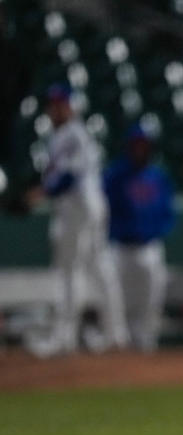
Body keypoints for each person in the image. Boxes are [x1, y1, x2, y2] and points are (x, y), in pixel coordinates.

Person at [25, 84, 127, 356]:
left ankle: (66, 337)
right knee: (96, 265)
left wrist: (39, 192)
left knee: (70, 270)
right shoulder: (65, 135)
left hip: (80, 206)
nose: (55, 109)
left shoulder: (73, 134)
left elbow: (69, 177)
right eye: (53, 104)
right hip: (82, 206)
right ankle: (114, 333)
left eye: (60, 103)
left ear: (70, 106)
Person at [103, 124, 176, 352]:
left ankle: (147, 344)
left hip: (149, 246)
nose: (140, 149)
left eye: (144, 145)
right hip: (120, 247)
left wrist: (156, 231)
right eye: (136, 145)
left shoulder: (158, 176)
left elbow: (168, 212)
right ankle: (119, 343)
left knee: (151, 300)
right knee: (117, 299)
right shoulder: (115, 175)